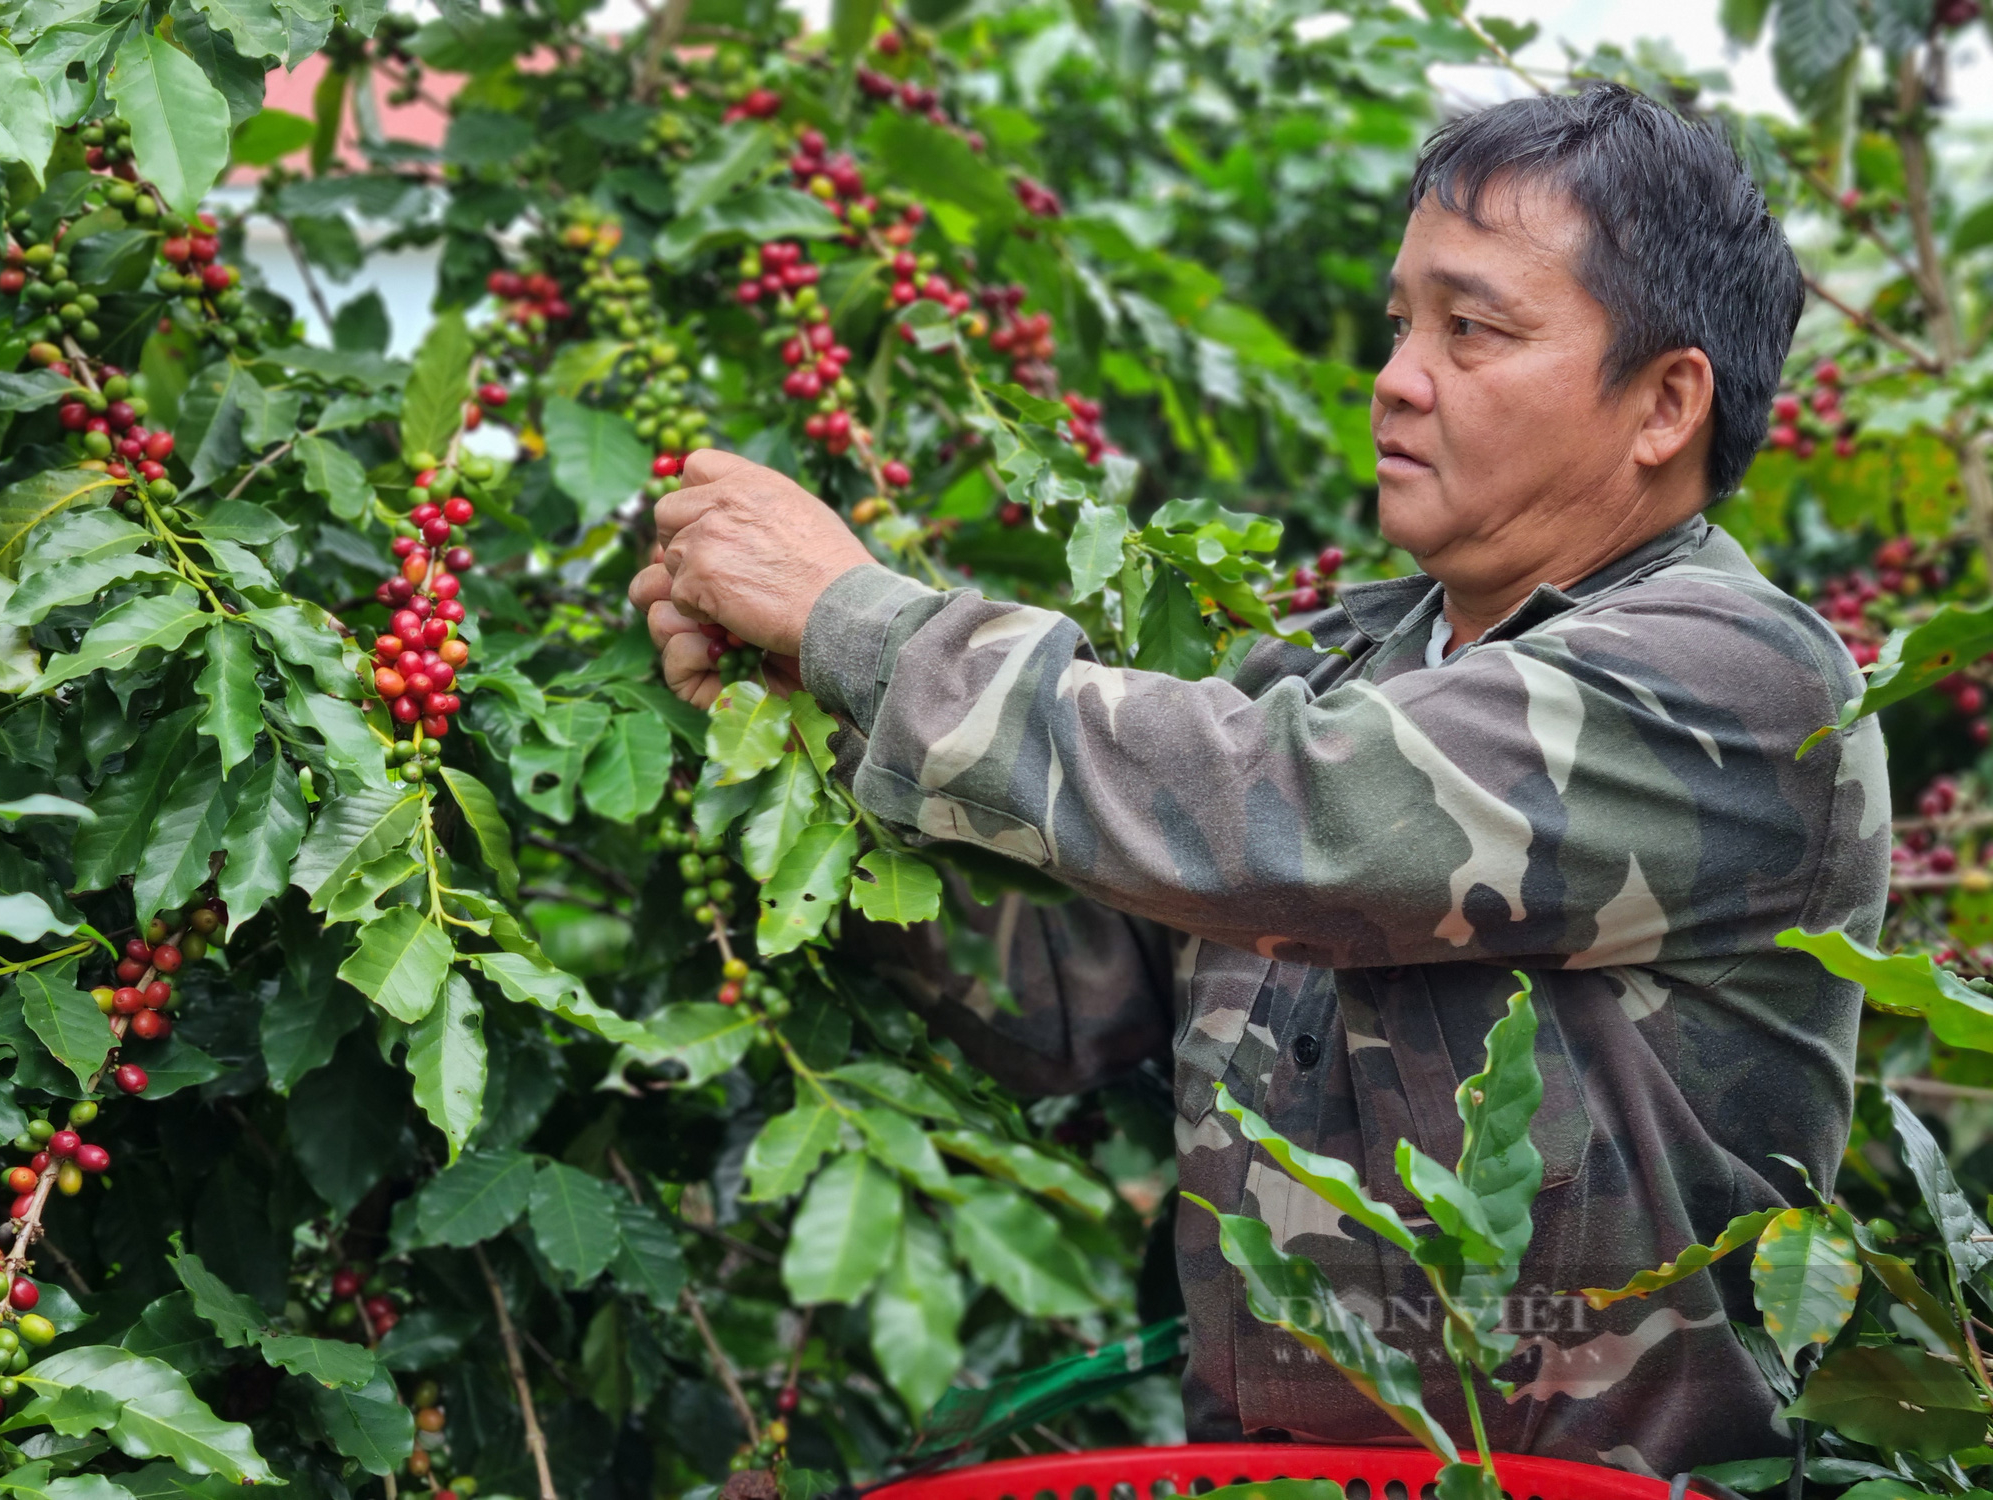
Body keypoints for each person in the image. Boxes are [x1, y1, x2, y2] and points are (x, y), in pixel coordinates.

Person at [629, 83, 1888, 1476]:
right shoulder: (1328, 667)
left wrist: (864, 621)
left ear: (1664, 404)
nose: (1400, 376)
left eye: (1471, 330)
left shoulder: (1740, 683)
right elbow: (1056, 997)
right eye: (1402, 323)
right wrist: (793, 729)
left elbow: (1303, 815)